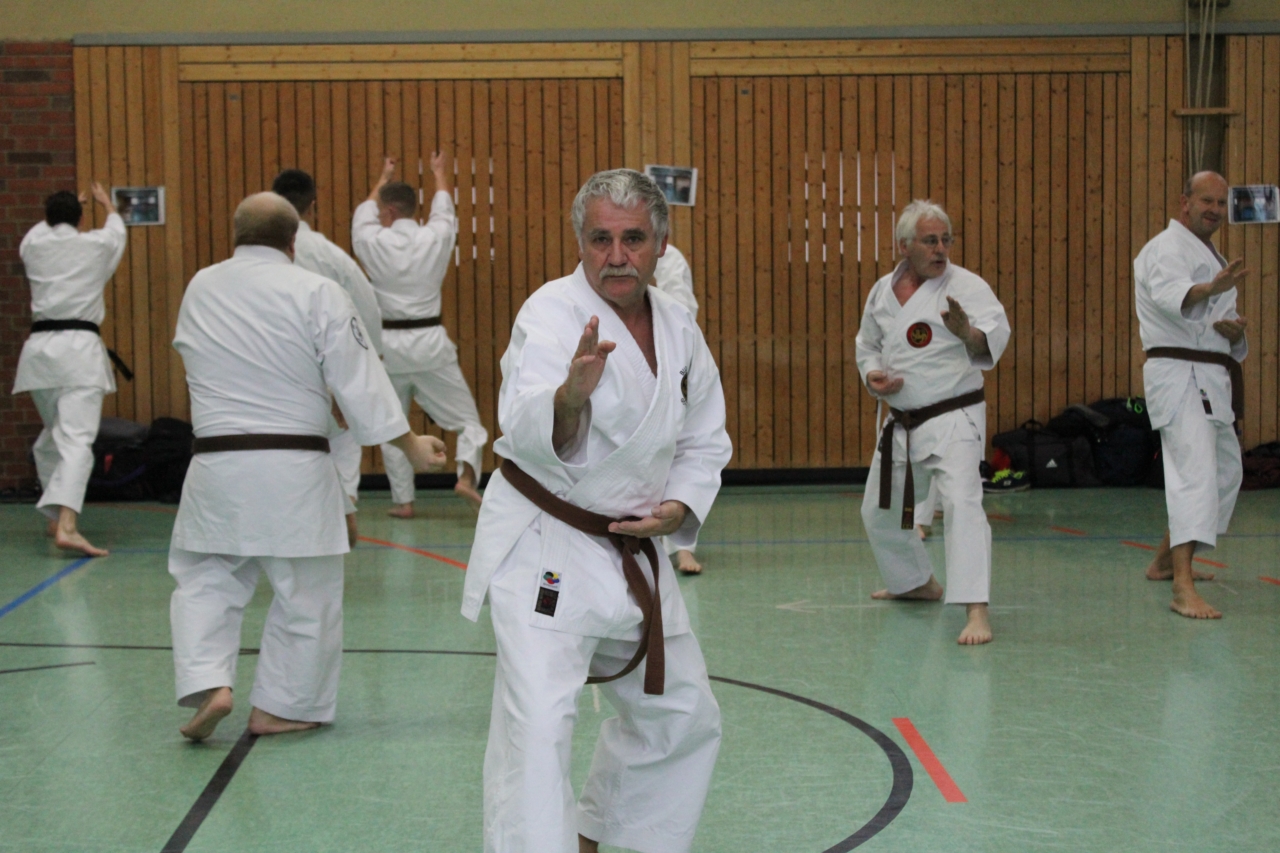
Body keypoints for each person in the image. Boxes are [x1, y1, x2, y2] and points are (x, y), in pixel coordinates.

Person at [462, 169, 731, 853]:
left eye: (632, 239)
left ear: (661, 245)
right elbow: (521, 421)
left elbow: (704, 435)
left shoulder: (678, 326)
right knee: (538, 726)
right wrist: (568, 400)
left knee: (681, 712)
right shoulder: (550, 314)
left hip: (636, 549)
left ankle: (603, 833)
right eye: (600, 239)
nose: (616, 256)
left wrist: (679, 505)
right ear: (580, 242)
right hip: (550, 543)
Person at [168, 193, 446, 742]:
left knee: (204, 578)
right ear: (294, 241)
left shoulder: (200, 287)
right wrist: (410, 443)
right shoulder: (317, 290)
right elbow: (358, 377)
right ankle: (281, 706)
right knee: (306, 593)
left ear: (235, 235)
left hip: (215, 464)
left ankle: (208, 683)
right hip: (293, 466)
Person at [855, 199, 1010, 646]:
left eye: (946, 240)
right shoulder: (882, 290)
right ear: (904, 246)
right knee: (879, 512)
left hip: (953, 415)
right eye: (930, 241)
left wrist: (967, 334)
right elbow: (867, 344)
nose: (941, 249)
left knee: (962, 505)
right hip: (902, 420)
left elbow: (994, 337)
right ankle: (915, 583)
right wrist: (873, 375)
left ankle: (976, 609)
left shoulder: (967, 286)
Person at [1135, 171, 1248, 620]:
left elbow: (1217, 321)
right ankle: (1182, 587)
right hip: (1179, 373)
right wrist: (1210, 289)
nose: (1215, 210)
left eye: (1221, 203)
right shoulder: (1165, 249)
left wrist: (1235, 333)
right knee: (1193, 475)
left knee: (1225, 473)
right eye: (1206, 201)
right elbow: (1174, 298)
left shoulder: (1210, 254)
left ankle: (1165, 561)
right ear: (1184, 202)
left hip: (1210, 375)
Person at [352, 154, 488, 516]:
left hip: (388, 349)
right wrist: (440, 173)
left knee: (393, 425)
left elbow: (363, 214)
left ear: (388, 211)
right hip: (430, 345)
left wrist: (383, 177)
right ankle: (466, 476)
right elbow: (445, 210)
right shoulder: (434, 237)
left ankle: (404, 501)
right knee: (468, 421)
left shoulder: (372, 240)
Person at [12, 182, 126, 557]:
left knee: (52, 438)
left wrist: (65, 210)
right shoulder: (95, 246)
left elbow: (37, 233)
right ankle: (68, 525)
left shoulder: (34, 246)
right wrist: (107, 205)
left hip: (40, 357)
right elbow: (117, 232)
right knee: (76, 440)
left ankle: (53, 515)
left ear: (48, 219)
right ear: (79, 220)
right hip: (78, 355)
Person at [273, 168, 385, 546]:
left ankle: (298, 522)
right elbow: (367, 311)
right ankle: (343, 508)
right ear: (313, 206)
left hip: (277, 377)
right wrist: (365, 368)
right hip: (329, 371)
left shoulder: (256, 263)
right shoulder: (332, 257)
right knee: (341, 442)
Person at [652, 243, 705, 574]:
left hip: (674, 365)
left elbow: (684, 308)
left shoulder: (668, 257)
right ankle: (650, 542)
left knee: (681, 457)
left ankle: (684, 547)